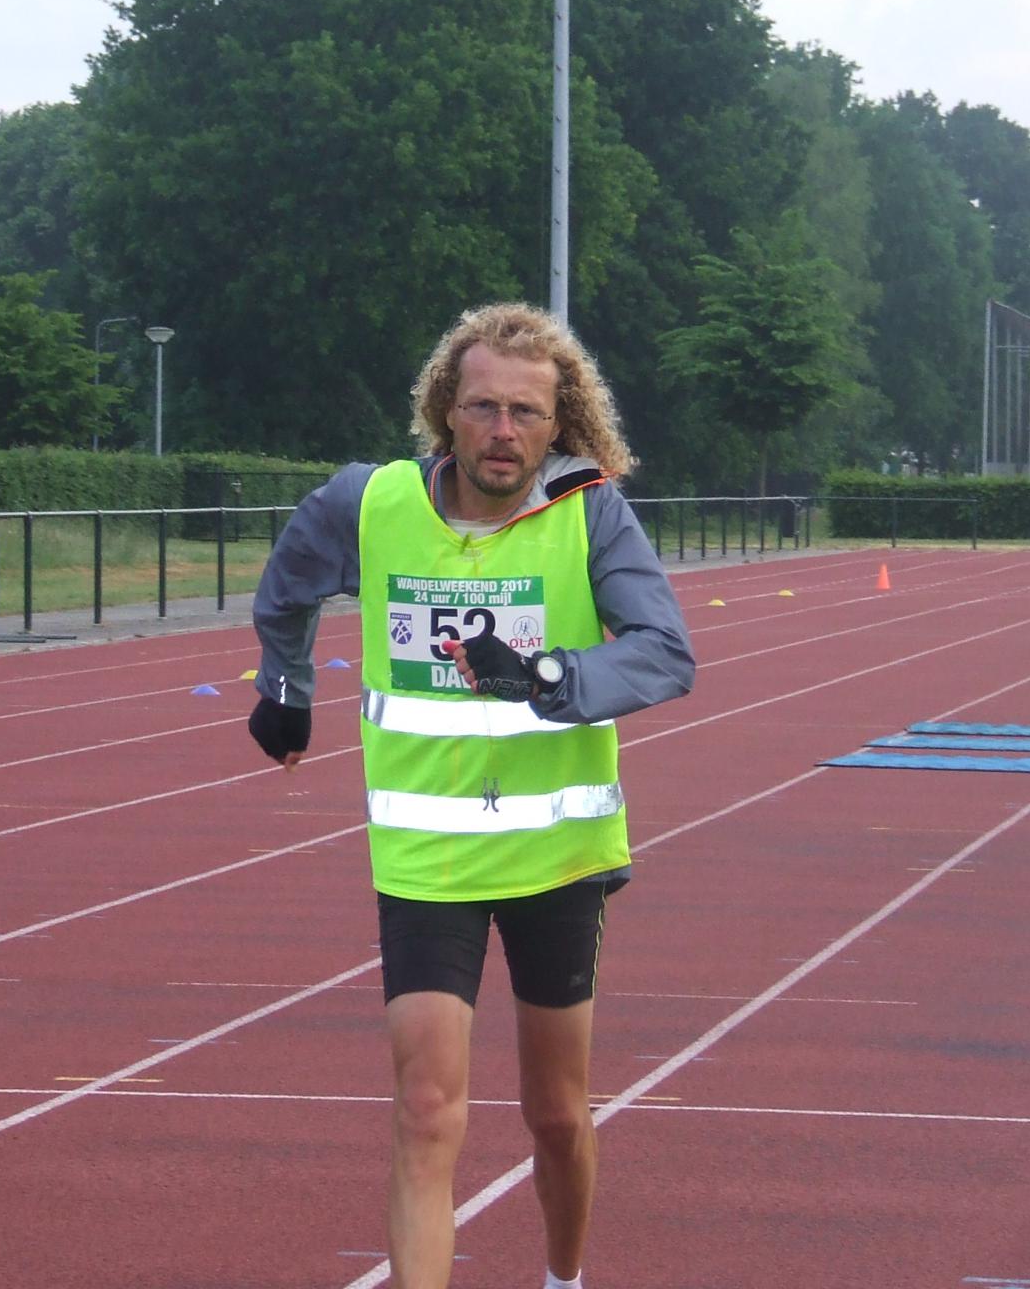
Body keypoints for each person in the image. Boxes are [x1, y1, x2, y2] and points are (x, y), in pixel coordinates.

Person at [247, 302, 695, 1289]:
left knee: (556, 1114)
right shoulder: (368, 503)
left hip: (555, 858)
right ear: (446, 409)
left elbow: (667, 653)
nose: (503, 431)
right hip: (427, 860)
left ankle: (563, 1278)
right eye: (484, 407)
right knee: (425, 1110)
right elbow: (286, 585)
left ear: (557, 423)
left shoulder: (590, 512)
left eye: (526, 413)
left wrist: (546, 678)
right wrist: (284, 688)